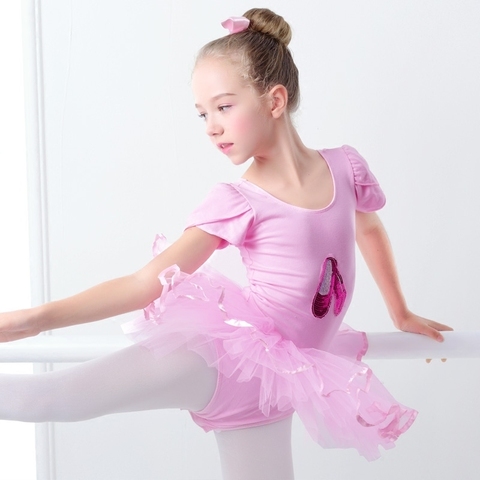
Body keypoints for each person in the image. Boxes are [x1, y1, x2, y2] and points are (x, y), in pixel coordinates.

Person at [0, 8, 452, 480]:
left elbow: (370, 229)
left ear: (274, 100)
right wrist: (35, 320)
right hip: (226, 362)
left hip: (273, 388)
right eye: (202, 113)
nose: (210, 126)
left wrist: (400, 312)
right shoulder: (238, 201)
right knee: (52, 398)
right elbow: (143, 283)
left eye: (224, 106)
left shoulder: (344, 167)